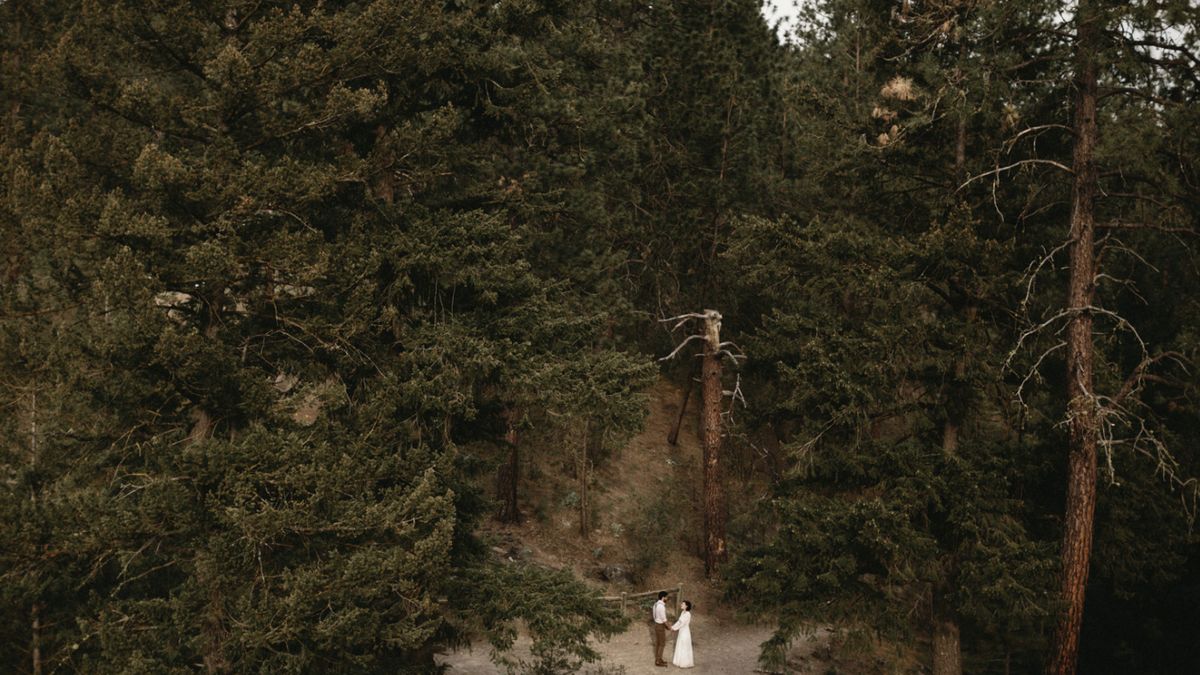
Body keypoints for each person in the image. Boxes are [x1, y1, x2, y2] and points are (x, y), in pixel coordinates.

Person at [670, 600, 694, 668]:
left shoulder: (688, 614)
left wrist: (674, 629)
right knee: (680, 644)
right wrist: (673, 626)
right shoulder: (683, 612)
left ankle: (685, 663)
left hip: (685, 632)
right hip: (681, 631)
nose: (681, 605)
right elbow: (679, 622)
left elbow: (682, 624)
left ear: (686, 606)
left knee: (684, 646)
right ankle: (678, 661)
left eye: (683, 604)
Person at [652, 591, 670, 667]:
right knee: (662, 644)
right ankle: (658, 661)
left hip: (656, 624)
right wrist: (669, 627)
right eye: (666, 597)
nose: (667, 598)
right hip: (660, 626)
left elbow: (654, 615)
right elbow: (664, 620)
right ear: (663, 597)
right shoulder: (661, 607)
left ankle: (658, 658)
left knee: (658, 643)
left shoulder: (655, 604)